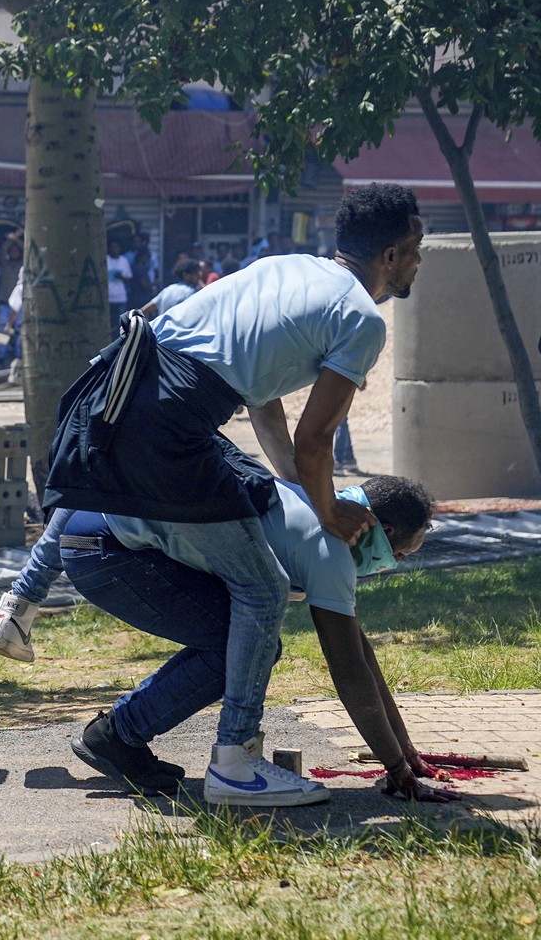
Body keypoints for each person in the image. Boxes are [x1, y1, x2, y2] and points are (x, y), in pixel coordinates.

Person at [41, 182, 425, 805]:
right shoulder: (359, 316)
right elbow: (315, 440)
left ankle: (148, 739)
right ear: (388, 256)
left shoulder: (287, 269)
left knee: (248, 613)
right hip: (167, 424)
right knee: (265, 589)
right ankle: (235, 763)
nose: (417, 261)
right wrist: (329, 511)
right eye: (415, 248)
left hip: (121, 396)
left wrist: (301, 494)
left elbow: (264, 402)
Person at [0, 452, 458, 806]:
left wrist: (405, 752)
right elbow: (350, 671)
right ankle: (118, 736)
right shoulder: (331, 549)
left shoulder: (320, 498)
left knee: (246, 639)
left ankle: (119, 735)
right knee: (245, 646)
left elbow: (360, 652)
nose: (394, 564)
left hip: (95, 525)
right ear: (388, 531)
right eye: (403, 554)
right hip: (105, 551)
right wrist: (397, 769)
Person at [139, 256, 204, 319]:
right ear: (185, 275)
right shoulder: (190, 292)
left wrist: (147, 329)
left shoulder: (167, 290)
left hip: (161, 330)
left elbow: (144, 310)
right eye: (196, 273)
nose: (199, 276)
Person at [105, 238, 133, 338]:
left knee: (121, 323)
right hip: (108, 297)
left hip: (121, 297)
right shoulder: (106, 260)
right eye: (112, 248)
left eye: (116, 247)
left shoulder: (123, 261)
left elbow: (129, 278)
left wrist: (121, 277)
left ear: (119, 249)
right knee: (110, 322)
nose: (114, 249)